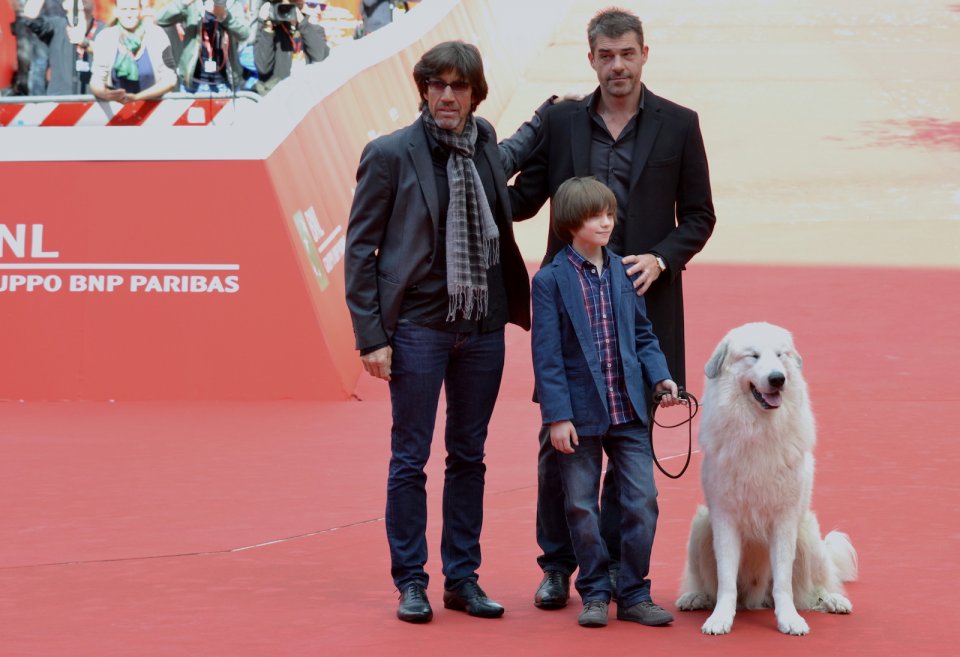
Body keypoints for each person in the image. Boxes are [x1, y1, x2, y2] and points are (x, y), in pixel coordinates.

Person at [508, 7, 716, 610]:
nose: (617, 65)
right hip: (571, 315)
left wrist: (661, 259)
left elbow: (700, 216)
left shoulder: (680, 124)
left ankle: (623, 581)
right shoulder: (564, 120)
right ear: (590, 58)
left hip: (640, 317)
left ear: (645, 54)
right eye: (606, 55)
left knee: (630, 462)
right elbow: (523, 198)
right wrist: (475, 172)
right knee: (561, 451)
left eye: (627, 53)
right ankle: (558, 567)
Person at [344, 40, 530, 624]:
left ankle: (462, 579)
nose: (447, 96)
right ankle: (411, 581)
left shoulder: (485, 145)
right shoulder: (391, 153)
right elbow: (360, 249)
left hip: (481, 328)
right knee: (410, 458)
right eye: (437, 85)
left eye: (459, 86)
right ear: (424, 89)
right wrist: (371, 336)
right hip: (419, 328)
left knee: (468, 456)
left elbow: (508, 199)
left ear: (475, 94)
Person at [531, 176, 680, 628]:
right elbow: (547, 356)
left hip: (629, 411)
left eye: (610, 214)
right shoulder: (550, 281)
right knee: (580, 505)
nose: (607, 222)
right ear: (571, 222)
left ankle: (633, 592)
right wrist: (557, 416)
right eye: (597, 215)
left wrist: (661, 377)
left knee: (643, 501)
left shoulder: (622, 270)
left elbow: (642, 334)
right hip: (580, 415)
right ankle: (594, 591)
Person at [88, 0, 177, 103]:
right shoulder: (105, 37)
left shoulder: (157, 34)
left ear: (140, 11)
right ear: (116, 11)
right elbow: (96, 80)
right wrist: (106, 94)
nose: (128, 14)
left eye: (133, 9)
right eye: (124, 9)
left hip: (153, 108)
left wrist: (137, 98)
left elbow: (170, 80)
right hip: (116, 109)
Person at [156, 0, 249, 93]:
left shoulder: (231, 4)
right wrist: (183, 3)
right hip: (192, 84)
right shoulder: (195, 5)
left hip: (224, 84)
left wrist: (224, 16)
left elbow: (244, 34)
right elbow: (161, 19)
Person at [253, 0, 329, 95]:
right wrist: (267, 28)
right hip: (277, 94)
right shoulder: (270, 28)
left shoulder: (312, 28)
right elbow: (263, 68)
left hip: (306, 92)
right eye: (284, 6)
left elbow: (319, 57)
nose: (287, 9)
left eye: (294, 4)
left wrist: (302, 23)